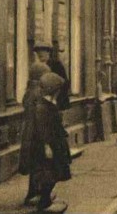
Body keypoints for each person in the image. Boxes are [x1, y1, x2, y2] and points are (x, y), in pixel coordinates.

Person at [31, 72, 72, 213]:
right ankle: (44, 203)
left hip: (56, 143)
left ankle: (46, 199)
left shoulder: (48, 104)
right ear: (53, 90)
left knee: (55, 172)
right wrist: (47, 146)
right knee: (50, 173)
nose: (59, 92)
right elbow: (43, 129)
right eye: (58, 90)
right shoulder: (42, 107)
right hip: (50, 145)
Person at [19, 62, 52, 207]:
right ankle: (38, 194)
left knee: (34, 164)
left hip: (29, 134)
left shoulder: (28, 92)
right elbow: (40, 117)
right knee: (42, 164)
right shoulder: (39, 94)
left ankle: (32, 193)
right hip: (38, 134)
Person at [33, 43, 70, 111]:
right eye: (38, 52)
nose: (40, 54)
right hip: (42, 103)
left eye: (43, 51)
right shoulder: (37, 67)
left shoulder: (56, 65)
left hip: (57, 101)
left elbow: (65, 83)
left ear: (48, 52)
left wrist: (54, 98)